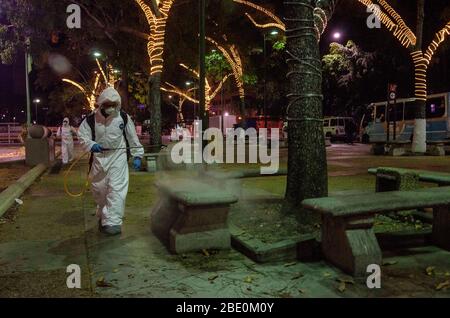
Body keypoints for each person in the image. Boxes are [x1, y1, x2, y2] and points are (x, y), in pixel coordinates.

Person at [78, 87, 144, 236]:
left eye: (114, 104)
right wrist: (91, 145)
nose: (111, 108)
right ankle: (103, 213)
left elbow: (133, 137)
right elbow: (82, 136)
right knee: (99, 190)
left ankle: (113, 221)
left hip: (118, 157)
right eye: (108, 104)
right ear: (101, 104)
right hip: (99, 158)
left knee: (116, 190)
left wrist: (137, 155)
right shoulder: (90, 120)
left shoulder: (124, 118)